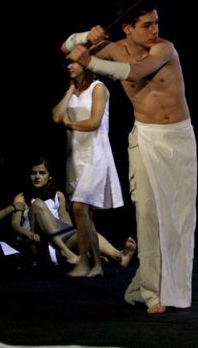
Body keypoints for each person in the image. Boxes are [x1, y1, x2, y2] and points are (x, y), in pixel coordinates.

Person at [65, 2, 197, 314]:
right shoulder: (112, 49)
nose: (155, 30)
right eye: (147, 25)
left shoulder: (164, 49)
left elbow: (135, 72)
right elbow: (67, 46)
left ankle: (150, 286)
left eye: (156, 23)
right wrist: (86, 37)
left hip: (179, 137)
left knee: (179, 218)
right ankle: (151, 292)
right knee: (148, 213)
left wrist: (90, 61)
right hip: (146, 138)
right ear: (127, 29)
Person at [52, 59, 125, 277]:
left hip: (95, 155)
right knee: (85, 214)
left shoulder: (98, 88)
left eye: (75, 63)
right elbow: (56, 116)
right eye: (68, 63)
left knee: (78, 207)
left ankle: (84, 261)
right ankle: (96, 265)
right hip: (75, 157)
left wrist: (70, 124)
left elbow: (94, 122)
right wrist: (70, 91)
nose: (70, 66)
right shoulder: (72, 93)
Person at [8, 157, 136, 268]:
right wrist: (29, 234)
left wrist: (84, 245)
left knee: (85, 231)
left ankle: (118, 256)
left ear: (49, 176)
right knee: (37, 204)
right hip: (36, 243)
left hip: (57, 242)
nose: (37, 177)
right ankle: (68, 254)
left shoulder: (58, 196)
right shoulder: (21, 198)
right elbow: (15, 225)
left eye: (42, 173)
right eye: (33, 173)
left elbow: (67, 226)